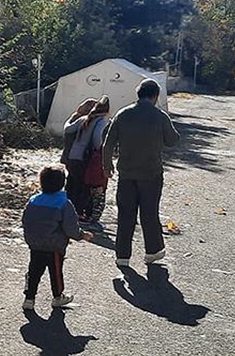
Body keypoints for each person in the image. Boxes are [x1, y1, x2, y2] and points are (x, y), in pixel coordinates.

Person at [101, 79, 180, 267]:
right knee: (149, 213)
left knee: (125, 214)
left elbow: (108, 142)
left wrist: (106, 165)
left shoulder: (123, 114)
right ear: (155, 96)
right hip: (151, 174)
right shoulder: (159, 116)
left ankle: (122, 256)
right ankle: (152, 251)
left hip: (126, 174)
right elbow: (172, 140)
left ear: (138, 93)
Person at [22, 165, 94, 311]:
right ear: (62, 184)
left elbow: (25, 219)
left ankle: (29, 298)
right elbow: (70, 227)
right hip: (54, 245)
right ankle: (57, 296)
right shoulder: (63, 203)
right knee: (55, 272)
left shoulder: (34, 200)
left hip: (35, 243)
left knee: (34, 270)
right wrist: (81, 235)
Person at [62, 98, 98, 216]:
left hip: (69, 158)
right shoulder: (87, 121)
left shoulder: (74, 119)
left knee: (71, 184)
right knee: (82, 186)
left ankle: (67, 209)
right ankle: (79, 212)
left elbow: (66, 131)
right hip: (81, 159)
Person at [80, 96, 112, 229]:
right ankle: (93, 220)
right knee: (99, 192)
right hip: (98, 160)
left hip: (88, 159)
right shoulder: (102, 121)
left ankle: (86, 216)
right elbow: (98, 140)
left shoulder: (90, 119)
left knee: (90, 190)